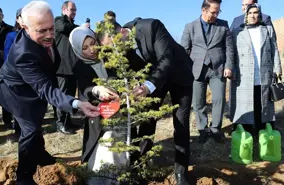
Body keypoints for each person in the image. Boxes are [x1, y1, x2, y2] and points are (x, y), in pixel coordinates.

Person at [0, 1, 99, 184]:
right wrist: (77, 104)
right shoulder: (23, 53)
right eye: (42, 31)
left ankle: (40, 155)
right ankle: (23, 177)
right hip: (12, 90)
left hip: (34, 86)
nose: (49, 35)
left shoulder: (46, 34)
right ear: (24, 27)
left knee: (36, 121)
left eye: (51, 29)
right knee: (30, 129)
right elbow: (45, 89)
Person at [97, 18, 194, 184]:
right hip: (153, 81)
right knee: (146, 119)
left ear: (122, 32)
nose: (115, 51)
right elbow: (116, 71)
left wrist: (148, 86)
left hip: (179, 75)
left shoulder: (151, 27)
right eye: (110, 49)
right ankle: (140, 166)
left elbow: (166, 58)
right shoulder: (118, 50)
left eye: (115, 45)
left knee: (181, 122)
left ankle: (181, 171)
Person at [70, 26, 126, 185]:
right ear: (77, 50)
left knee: (120, 145)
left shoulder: (109, 57)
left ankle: (121, 176)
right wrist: (97, 89)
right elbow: (84, 90)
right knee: (105, 145)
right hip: (98, 114)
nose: (91, 50)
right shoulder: (79, 66)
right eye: (85, 48)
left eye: (93, 43)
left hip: (119, 111)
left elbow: (121, 75)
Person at [180, 0, 234, 143]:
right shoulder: (190, 27)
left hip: (218, 69)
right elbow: (183, 50)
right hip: (197, 70)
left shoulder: (223, 25)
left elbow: (229, 48)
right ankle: (203, 129)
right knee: (198, 102)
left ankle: (216, 128)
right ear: (204, 10)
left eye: (218, 12)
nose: (216, 14)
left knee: (219, 100)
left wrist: (228, 66)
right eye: (213, 12)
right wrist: (185, 70)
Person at [230, 3, 282, 135]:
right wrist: (231, 69)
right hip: (244, 74)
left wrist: (278, 68)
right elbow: (232, 52)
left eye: (256, 12)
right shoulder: (238, 31)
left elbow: (274, 50)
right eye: (250, 13)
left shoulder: (267, 29)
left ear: (259, 14)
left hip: (264, 72)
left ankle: (263, 132)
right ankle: (245, 133)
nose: (253, 16)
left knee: (263, 104)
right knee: (245, 105)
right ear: (246, 16)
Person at [53, 1, 79, 134]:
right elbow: (65, 28)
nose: (74, 12)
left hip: (72, 68)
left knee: (70, 97)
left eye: (75, 10)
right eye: (71, 10)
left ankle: (68, 121)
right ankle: (60, 123)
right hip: (62, 68)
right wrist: (82, 28)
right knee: (62, 96)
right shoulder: (58, 21)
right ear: (64, 10)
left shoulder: (73, 26)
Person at [3, 8, 23, 136]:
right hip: (17, 74)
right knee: (18, 104)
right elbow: (7, 55)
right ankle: (18, 130)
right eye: (21, 16)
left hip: (32, 75)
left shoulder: (35, 34)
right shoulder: (11, 36)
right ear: (17, 19)